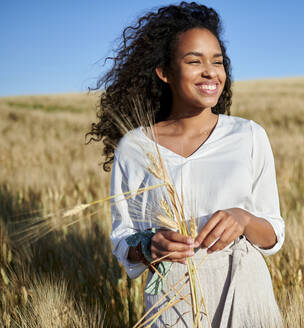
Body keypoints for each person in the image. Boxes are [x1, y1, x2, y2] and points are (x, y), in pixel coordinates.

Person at [86, 2, 285, 327]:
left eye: (217, 62)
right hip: (171, 295)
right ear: (164, 71)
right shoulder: (134, 148)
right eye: (195, 61)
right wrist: (149, 244)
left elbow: (274, 234)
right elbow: (124, 240)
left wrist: (244, 218)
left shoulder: (249, 135)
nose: (211, 72)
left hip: (244, 289)